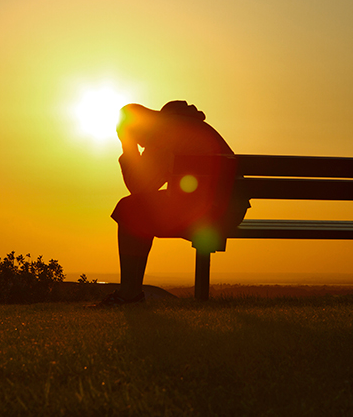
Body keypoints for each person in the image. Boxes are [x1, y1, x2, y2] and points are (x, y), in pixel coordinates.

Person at [96, 100, 249, 306]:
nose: (142, 145)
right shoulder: (190, 126)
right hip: (231, 212)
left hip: (205, 215)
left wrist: (128, 147)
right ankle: (129, 293)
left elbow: (139, 188)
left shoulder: (164, 134)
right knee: (135, 208)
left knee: (129, 209)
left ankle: (129, 294)